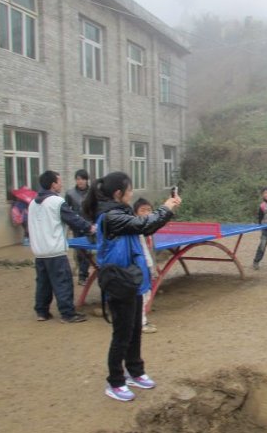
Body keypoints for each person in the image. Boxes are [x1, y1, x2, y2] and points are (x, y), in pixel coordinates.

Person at [83, 172, 181, 402]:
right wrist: (167, 207)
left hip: (132, 279)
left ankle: (135, 371)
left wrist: (166, 209)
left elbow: (145, 227)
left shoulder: (121, 212)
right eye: (129, 189)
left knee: (134, 329)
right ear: (119, 193)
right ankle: (115, 382)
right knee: (122, 334)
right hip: (119, 282)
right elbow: (145, 224)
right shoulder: (110, 217)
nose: (132, 193)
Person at [28, 170, 96, 323]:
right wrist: (90, 228)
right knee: (63, 282)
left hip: (39, 251)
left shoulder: (33, 203)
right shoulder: (56, 202)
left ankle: (42, 312)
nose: (61, 184)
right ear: (53, 184)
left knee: (43, 283)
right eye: (59, 181)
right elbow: (73, 219)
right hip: (55, 251)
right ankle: (68, 314)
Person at [133, 198, 158, 334]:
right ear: (135, 213)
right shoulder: (135, 229)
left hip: (147, 265)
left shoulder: (149, 231)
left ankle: (140, 321)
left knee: (146, 293)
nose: (146, 213)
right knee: (142, 294)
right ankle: (141, 323)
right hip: (140, 266)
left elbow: (151, 251)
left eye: (149, 210)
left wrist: (153, 268)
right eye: (142, 210)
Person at [65, 169, 91, 285]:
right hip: (77, 226)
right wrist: (70, 223)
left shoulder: (92, 193)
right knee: (80, 251)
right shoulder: (70, 193)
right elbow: (66, 210)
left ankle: (84, 274)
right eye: (78, 179)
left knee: (88, 251)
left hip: (89, 226)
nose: (80, 181)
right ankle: (82, 274)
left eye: (82, 179)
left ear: (86, 180)